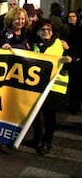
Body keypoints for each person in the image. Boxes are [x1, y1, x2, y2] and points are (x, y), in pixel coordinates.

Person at [30, 18, 71, 155]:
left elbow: (71, 58)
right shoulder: (34, 45)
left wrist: (68, 59)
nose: (46, 32)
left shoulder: (60, 44)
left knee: (49, 116)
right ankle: (36, 139)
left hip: (55, 86)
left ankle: (47, 142)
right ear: (37, 32)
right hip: (38, 86)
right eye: (42, 29)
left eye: (48, 29)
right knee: (35, 114)